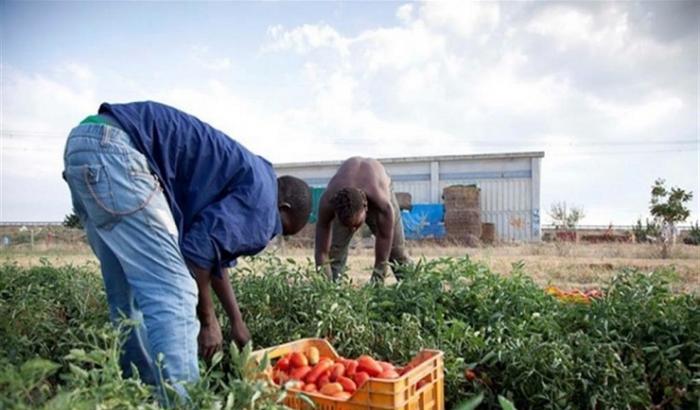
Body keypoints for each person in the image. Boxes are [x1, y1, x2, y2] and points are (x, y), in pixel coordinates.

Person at [62, 101, 311, 401]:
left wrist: (236, 320)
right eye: (279, 229)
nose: (269, 235)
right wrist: (208, 321)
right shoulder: (263, 203)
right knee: (177, 293)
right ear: (282, 208)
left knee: (126, 296)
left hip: (85, 145)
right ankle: (183, 402)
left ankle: (139, 396)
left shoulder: (252, 177)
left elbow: (213, 254)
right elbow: (197, 253)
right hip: (118, 152)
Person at [314, 157, 411, 283]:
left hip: (378, 185)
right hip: (346, 193)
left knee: (397, 252)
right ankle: (333, 291)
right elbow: (321, 252)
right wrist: (323, 285)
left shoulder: (383, 205)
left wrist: (377, 281)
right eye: (348, 225)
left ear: (366, 206)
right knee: (334, 253)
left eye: (356, 225)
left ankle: (414, 290)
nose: (353, 230)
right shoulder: (328, 201)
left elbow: (384, 240)